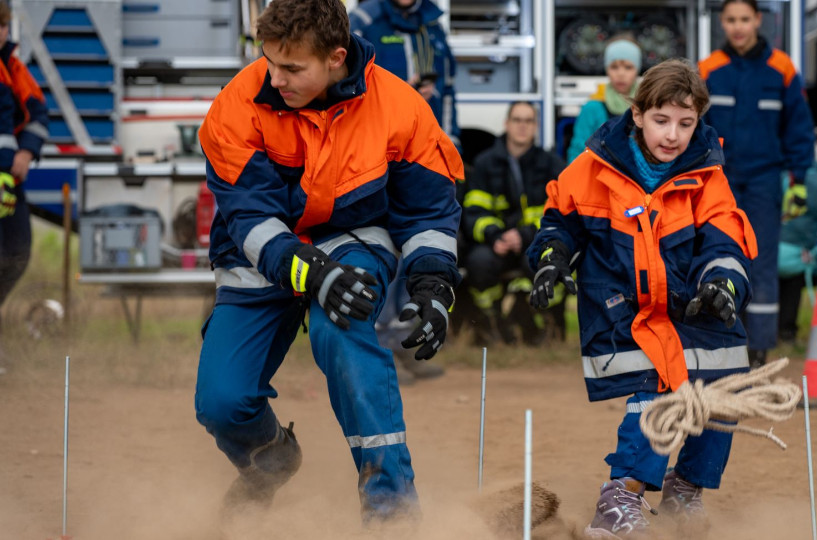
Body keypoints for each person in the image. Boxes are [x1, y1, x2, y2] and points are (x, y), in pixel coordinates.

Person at [193, 0, 462, 529]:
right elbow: (249, 220)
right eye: (269, 61)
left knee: (344, 331)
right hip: (258, 258)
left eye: (292, 68)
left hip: (352, 239)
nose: (275, 78)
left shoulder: (401, 107)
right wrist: (311, 273)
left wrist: (432, 286)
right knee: (221, 402)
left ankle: (391, 508)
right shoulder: (236, 105)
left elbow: (429, 212)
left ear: (336, 57)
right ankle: (268, 460)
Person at [527, 59, 757, 538]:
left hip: (692, 306)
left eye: (686, 123)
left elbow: (725, 238)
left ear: (699, 122)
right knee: (660, 392)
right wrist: (551, 258)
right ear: (637, 114)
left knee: (725, 388)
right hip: (622, 307)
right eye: (661, 120)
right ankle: (619, 499)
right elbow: (558, 223)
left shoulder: (708, 173)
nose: (673, 135)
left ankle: (685, 490)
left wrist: (723, 283)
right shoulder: (592, 167)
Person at [699, 0, 815, 368]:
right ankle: (722, 342)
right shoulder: (708, 69)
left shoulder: (781, 69)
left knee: (762, 262)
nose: (738, 27)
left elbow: (798, 128)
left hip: (765, 179)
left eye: (744, 19)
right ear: (722, 22)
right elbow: (695, 128)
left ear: (758, 20)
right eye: (731, 20)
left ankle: (760, 349)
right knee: (719, 256)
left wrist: (798, 181)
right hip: (721, 180)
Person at [349, 0, 460, 383]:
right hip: (376, 156)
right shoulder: (363, 20)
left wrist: (451, 143)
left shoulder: (433, 25)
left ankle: (407, 341)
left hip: (425, 156)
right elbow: (350, 89)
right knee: (378, 247)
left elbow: (448, 92)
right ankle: (377, 349)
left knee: (415, 245)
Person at [462, 101, 565, 345]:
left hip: (534, 241)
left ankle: (546, 322)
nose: (522, 126)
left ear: (536, 126)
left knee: (547, 262)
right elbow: (473, 211)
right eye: (517, 120)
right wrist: (494, 235)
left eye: (528, 121)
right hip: (496, 244)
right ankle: (491, 322)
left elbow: (560, 212)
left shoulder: (551, 164)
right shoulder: (485, 163)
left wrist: (526, 234)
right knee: (478, 263)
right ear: (506, 124)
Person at [0, 1, 50, 375]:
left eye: (2, 25)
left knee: (16, 252)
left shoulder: (13, 68)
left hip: (7, 183)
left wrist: (26, 152)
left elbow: (38, 112)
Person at [349, 0, 459, 149]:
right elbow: (347, 87)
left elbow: (447, 89)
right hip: (378, 144)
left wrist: (450, 143)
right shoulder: (363, 19)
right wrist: (401, 95)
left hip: (427, 143)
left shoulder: (433, 22)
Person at [778, 163, 817, 344]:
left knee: (763, 291)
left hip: (770, 250)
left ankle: (760, 332)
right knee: (793, 291)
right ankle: (787, 332)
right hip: (800, 255)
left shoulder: (777, 174)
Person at [566, 37, 641, 162]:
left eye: (628, 67)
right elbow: (577, 150)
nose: (621, 73)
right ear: (606, 69)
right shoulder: (592, 107)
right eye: (614, 67)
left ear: (637, 70)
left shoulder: (646, 106)